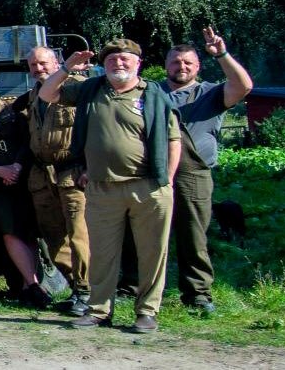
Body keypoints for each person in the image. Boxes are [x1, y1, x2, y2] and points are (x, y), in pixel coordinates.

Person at [42, 39, 183, 334]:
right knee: (102, 254)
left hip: (149, 186)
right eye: (111, 60)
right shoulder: (90, 89)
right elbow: (47, 93)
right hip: (102, 188)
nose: (118, 63)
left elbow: (173, 140)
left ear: (138, 62)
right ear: (103, 65)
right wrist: (67, 67)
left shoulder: (154, 94)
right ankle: (98, 310)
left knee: (152, 253)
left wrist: (168, 180)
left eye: (124, 58)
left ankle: (146, 312)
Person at [159, 28, 252, 316]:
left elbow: (244, 86)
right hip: (153, 172)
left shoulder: (211, 92)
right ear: (166, 65)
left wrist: (222, 54)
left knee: (193, 237)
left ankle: (197, 294)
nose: (181, 67)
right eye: (175, 62)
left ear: (197, 66)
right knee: (146, 235)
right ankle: (134, 290)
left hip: (193, 175)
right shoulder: (151, 92)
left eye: (188, 62)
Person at [10, 45, 92, 316]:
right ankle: (77, 287)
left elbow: (96, 130)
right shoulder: (32, 95)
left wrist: (89, 167)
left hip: (72, 171)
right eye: (33, 65)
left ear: (57, 62)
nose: (38, 68)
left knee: (79, 234)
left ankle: (88, 291)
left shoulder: (79, 88)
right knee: (54, 237)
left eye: (43, 63)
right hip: (42, 174)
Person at [0, 64, 49, 308]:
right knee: (9, 230)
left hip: (23, 176)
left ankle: (28, 285)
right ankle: (31, 284)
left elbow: (28, 139)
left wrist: (17, 166)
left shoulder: (14, 107)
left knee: (30, 230)